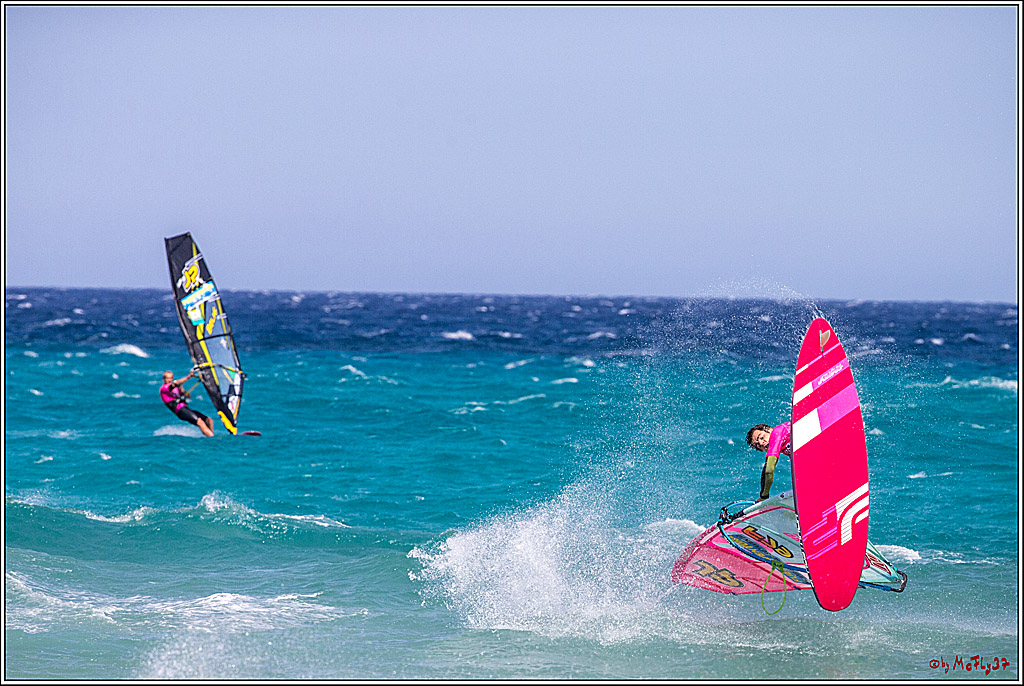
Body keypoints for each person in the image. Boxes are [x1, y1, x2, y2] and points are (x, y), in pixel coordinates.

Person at [746, 422, 792, 502]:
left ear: (769, 430)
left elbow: (768, 471)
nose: (761, 442)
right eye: (759, 445)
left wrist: (764, 496)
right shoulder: (786, 446)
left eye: (761, 437)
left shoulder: (777, 432)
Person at [160, 369, 214, 437]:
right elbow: (176, 383)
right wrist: (189, 376)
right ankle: (212, 438)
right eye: (167, 378)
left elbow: (188, 396)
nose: (169, 380)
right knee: (200, 423)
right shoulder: (164, 388)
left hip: (185, 408)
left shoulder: (175, 389)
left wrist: (181, 389)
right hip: (180, 410)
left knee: (209, 420)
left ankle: (211, 437)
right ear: (164, 379)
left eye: (171, 378)